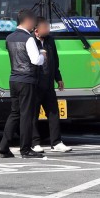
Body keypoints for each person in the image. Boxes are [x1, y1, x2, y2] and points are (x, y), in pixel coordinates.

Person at [0, 9, 46, 159]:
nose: (34, 24)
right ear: (27, 21)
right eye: (33, 21)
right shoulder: (29, 39)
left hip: (14, 79)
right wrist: (43, 55)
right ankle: (25, 149)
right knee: (27, 115)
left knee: (14, 113)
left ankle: (4, 148)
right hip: (27, 80)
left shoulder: (9, 37)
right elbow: (35, 60)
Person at [31, 17, 72, 154]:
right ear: (37, 30)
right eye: (45, 28)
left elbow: (55, 60)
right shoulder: (30, 42)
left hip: (48, 84)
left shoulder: (50, 40)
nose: (48, 30)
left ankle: (56, 142)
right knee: (33, 114)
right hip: (35, 84)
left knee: (54, 113)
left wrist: (58, 77)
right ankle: (34, 142)